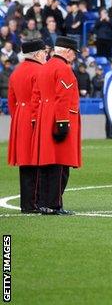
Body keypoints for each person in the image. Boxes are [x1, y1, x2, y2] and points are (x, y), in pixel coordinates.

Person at [31, 36, 82, 215]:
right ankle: (54, 204)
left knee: (47, 164)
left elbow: (36, 95)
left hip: (45, 118)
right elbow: (63, 98)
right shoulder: (63, 69)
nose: (74, 56)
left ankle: (44, 203)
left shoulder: (45, 68)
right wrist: (62, 123)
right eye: (73, 53)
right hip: (59, 119)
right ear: (67, 51)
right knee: (61, 165)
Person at [7, 40, 47, 214]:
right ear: (37, 54)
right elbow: (38, 98)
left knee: (25, 163)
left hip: (20, 117)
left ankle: (26, 203)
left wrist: (18, 116)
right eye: (44, 52)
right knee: (37, 160)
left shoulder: (15, 72)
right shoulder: (40, 71)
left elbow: (11, 100)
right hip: (35, 118)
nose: (46, 55)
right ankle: (35, 202)